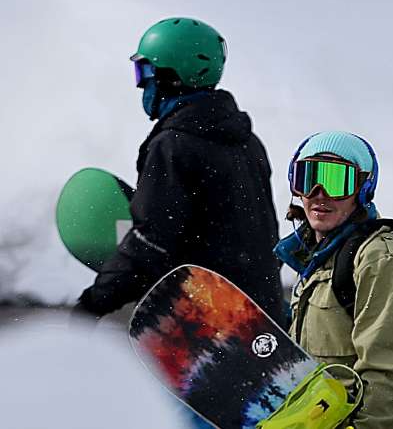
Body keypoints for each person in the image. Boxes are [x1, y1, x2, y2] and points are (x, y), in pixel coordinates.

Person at [74, 17, 283, 322]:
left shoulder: (173, 146)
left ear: (173, 76)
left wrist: (94, 303)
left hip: (205, 313)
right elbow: (259, 234)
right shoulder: (247, 141)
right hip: (260, 306)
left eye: (145, 71)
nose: (141, 83)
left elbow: (152, 241)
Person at [275, 131, 393, 429]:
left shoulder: (381, 260)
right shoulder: (318, 260)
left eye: (336, 180)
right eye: (307, 177)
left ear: (363, 189)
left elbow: (389, 375)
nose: (319, 193)